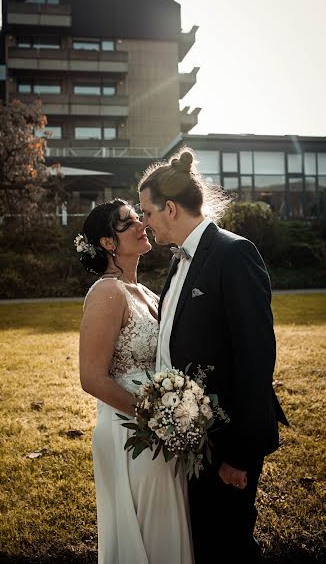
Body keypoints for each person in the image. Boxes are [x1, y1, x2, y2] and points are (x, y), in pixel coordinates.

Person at [138, 148, 289, 564]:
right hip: (191, 438)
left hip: (228, 442)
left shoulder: (233, 253)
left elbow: (255, 357)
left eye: (146, 212)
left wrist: (238, 455)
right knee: (203, 541)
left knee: (230, 546)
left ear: (169, 208)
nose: (144, 223)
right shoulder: (178, 261)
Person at [78, 199, 194, 564]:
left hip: (158, 429)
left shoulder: (145, 293)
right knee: (145, 531)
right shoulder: (106, 293)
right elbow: (91, 377)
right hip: (128, 431)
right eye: (128, 222)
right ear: (108, 243)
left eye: (139, 217)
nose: (142, 223)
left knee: (164, 524)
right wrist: (154, 416)